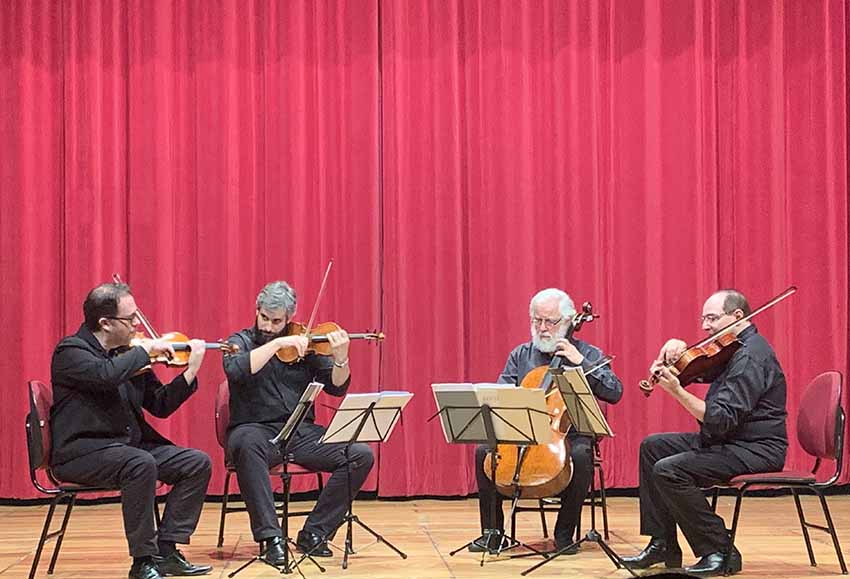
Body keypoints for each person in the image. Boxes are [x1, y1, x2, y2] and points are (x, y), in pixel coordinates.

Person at [50, 283, 213, 579]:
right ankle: (142, 561)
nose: (138, 324)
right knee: (140, 464)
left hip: (127, 448)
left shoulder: (128, 354)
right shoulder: (71, 352)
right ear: (106, 323)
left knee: (196, 462)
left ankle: (166, 550)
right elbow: (105, 376)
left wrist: (190, 373)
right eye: (131, 318)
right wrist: (146, 351)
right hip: (83, 452)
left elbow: (160, 405)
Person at [621, 289, 788, 577]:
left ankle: (720, 550)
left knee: (670, 470)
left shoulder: (751, 356)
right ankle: (662, 544)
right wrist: (678, 350)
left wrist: (676, 392)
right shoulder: (734, 348)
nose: (705, 326)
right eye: (703, 319)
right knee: (653, 447)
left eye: (711, 318)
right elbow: (704, 368)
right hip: (732, 440)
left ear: (738, 317)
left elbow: (720, 418)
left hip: (757, 447)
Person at [222, 281, 374, 563]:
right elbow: (235, 369)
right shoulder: (239, 341)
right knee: (244, 445)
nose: (268, 326)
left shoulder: (306, 345)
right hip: (255, 431)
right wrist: (277, 343)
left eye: (276, 321)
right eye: (264, 317)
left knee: (359, 455)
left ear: (289, 317)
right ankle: (271, 538)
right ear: (256, 310)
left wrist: (342, 360)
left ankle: (315, 532)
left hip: (301, 433)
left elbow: (336, 388)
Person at [472, 288, 623, 553]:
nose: (542, 328)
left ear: (568, 322)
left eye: (550, 322)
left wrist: (581, 363)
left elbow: (615, 392)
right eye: (536, 320)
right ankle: (493, 532)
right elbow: (500, 396)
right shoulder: (521, 355)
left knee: (581, 454)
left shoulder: (588, 353)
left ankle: (564, 534)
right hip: (524, 430)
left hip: (571, 432)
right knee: (484, 451)